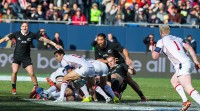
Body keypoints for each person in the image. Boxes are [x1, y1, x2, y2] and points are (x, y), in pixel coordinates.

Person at [0, 22, 62, 96]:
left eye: (26, 26)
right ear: (21, 27)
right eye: (23, 26)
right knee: (14, 71)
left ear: (28, 27)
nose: (24, 27)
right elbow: (4, 39)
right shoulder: (16, 34)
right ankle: (14, 88)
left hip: (26, 58)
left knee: (31, 73)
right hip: (17, 57)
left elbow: (44, 39)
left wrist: (55, 44)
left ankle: (37, 88)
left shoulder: (32, 35)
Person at [152, 25, 200, 111]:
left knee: (188, 88)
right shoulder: (178, 38)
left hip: (182, 65)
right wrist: (196, 61)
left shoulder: (161, 41)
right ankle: (185, 101)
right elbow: (190, 48)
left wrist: (153, 49)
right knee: (174, 81)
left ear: (160, 32)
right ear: (169, 31)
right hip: (188, 62)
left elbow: (155, 57)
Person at [94, 33, 147, 101]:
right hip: (108, 67)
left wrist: (127, 58)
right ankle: (112, 94)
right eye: (98, 40)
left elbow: (123, 49)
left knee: (129, 80)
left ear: (105, 39)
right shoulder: (97, 47)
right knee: (103, 80)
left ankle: (141, 96)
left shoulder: (112, 45)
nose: (99, 42)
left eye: (101, 40)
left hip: (119, 65)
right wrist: (108, 61)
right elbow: (98, 59)